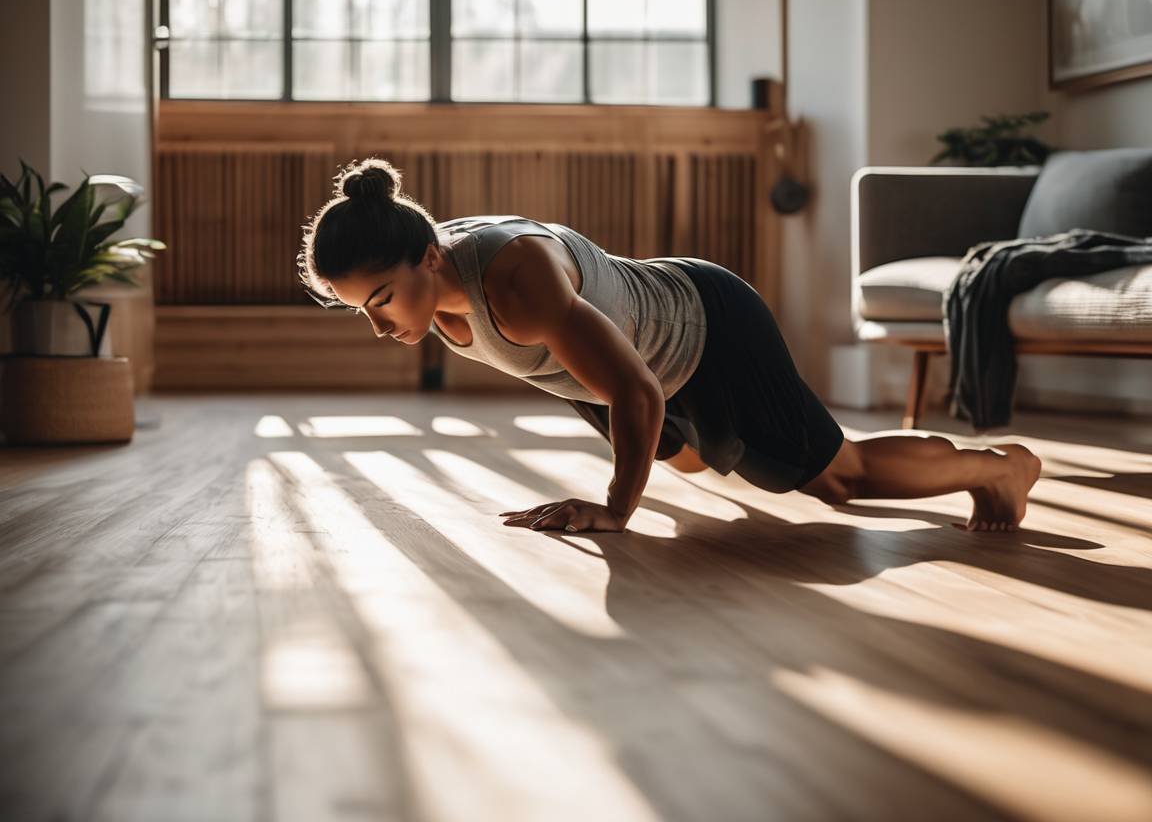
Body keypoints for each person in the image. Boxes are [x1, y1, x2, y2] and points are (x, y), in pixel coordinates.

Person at [298, 158, 1042, 535]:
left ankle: (1001, 468)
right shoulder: (424, 263)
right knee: (694, 462)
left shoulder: (516, 277)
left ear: (429, 257)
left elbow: (638, 393)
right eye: (357, 309)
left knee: (833, 482)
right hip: (619, 364)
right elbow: (604, 385)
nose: (378, 324)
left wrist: (615, 511)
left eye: (380, 300)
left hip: (705, 329)